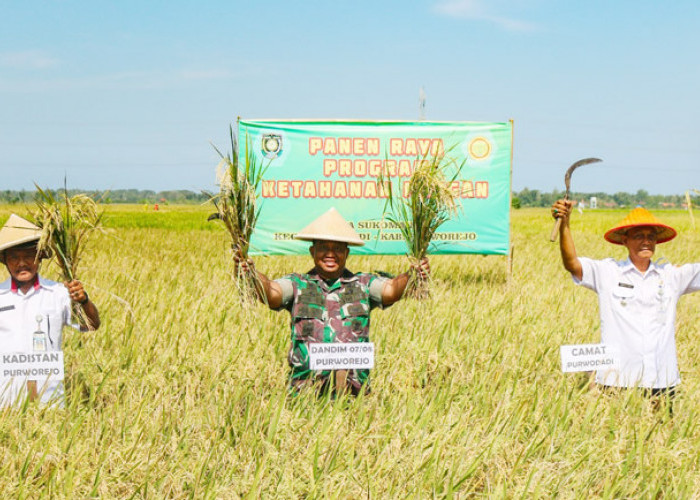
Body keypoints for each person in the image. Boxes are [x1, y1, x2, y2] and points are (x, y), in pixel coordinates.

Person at [240, 207, 429, 396]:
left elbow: (393, 289)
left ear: (346, 253)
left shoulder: (363, 284)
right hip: (305, 399)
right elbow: (271, 292)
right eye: (323, 247)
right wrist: (250, 274)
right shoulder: (297, 284)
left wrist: (413, 274)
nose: (330, 254)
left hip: (354, 398)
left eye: (337, 249)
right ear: (313, 251)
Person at [552, 200, 700, 409]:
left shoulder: (671, 275)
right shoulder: (608, 272)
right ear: (624, 240)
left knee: (662, 436)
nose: (646, 241)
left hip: (662, 381)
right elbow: (572, 264)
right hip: (618, 381)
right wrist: (565, 225)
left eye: (651, 236)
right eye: (639, 236)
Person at [0, 214, 101, 407]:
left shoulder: (59, 293)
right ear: (5, 260)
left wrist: (83, 300)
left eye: (29, 256)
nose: (22, 263)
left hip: (50, 398)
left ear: (39, 258)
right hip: (6, 398)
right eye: (14, 257)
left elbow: (91, 325)